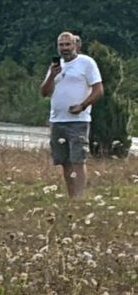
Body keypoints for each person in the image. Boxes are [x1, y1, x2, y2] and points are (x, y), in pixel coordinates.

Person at [42, 31, 105, 198]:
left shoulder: (86, 63)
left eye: (68, 44)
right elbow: (44, 92)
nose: (65, 48)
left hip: (78, 120)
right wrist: (52, 75)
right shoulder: (56, 67)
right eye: (61, 45)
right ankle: (72, 196)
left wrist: (83, 105)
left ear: (75, 45)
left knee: (78, 159)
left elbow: (98, 90)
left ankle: (79, 198)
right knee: (64, 161)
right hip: (58, 120)